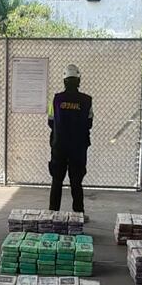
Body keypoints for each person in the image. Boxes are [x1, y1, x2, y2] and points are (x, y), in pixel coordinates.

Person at [47, 64, 93, 216]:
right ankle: (78, 214)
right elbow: (89, 123)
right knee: (76, 181)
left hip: (59, 145)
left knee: (57, 180)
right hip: (78, 147)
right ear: (79, 80)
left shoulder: (56, 99)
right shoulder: (87, 100)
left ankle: (53, 213)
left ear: (64, 81)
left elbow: (50, 121)